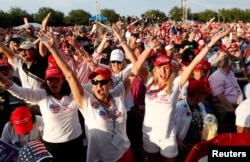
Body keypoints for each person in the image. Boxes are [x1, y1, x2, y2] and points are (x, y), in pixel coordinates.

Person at [38, 27, 154, 162]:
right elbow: (70, 76)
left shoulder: (118, 94)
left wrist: (148, 47)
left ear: (110, 83)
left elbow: (135, 70)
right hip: (100, 158)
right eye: (94, 82)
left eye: (103, 82)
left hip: (124, 153)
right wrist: (53, 49)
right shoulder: (86, 102)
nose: (98, 86)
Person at [137, 27, 232, 162]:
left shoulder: (176, 84)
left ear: (171, 70)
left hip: (168, 138)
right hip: (149, 136)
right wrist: (140, 46)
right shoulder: (149, 81)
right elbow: (136, 64)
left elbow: (194, 63)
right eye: (160, 68)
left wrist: (210, 44)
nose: (163, 71)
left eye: (167, 68)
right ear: (155, 70)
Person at [0, 65, 85, 162]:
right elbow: (17, 90)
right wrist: (2, 80)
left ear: (63, 79)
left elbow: (93, 88)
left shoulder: (73, 93)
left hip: (75, 142)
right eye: (50, 79)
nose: (52, 82)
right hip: (53, 145)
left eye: (56, 79)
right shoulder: (42, 95)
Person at [174, 80, 211, 162]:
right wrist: (176, 139)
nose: (206, 95)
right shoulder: (179, 108)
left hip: (200, 144)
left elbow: (205, 121)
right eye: (204, 93)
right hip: (186, 147)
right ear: (197, 94)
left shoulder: (200, 105)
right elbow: (168, 126)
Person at [209, 54, 243, 133]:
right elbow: (219, 96)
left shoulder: (230, 73)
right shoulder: (216, 76)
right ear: (228, 64)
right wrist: (231, 108)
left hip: (238, 104)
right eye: (231, 62)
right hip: (226, 106)